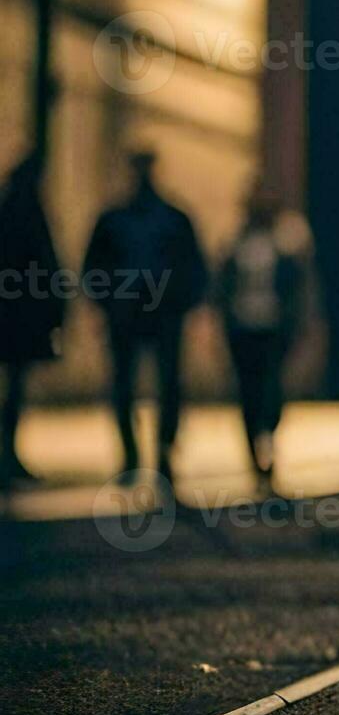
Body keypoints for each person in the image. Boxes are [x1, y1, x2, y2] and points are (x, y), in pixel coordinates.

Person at [84, 152, 206, 485]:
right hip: (128, 313)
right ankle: (133, 455)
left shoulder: (170, 219)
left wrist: (182, 301)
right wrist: (107, 302)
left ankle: (162, 453)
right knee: (127, 386)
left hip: (161, 314)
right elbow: (94, 268)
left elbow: (193, 267)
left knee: (167, 387)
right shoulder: (117, 220)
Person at [217, 191, 310, 495]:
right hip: (243, 328)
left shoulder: (282, 246)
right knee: (248, 393)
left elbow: (297, 285)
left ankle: (267, 439)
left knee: (271, 393)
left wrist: (297, 324)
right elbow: (223, 286)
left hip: (271, 328)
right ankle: (254, 458)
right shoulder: (236, 245)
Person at [0, 154, 65, 489]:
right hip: (18, 320)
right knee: (13, 391)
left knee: (12, 391)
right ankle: (7, 455)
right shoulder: (28, 215)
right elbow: (45, 267)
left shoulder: (12, 211)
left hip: (15, 318)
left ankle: (7, 456)